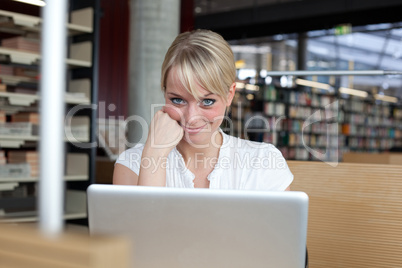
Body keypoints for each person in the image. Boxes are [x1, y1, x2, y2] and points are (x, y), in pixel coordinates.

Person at [113, 29, 293, 191]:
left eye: (207, 101)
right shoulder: (132, 164)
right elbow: (142, 228)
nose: (191, 117)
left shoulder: (263, 162)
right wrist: (154, 154)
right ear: (164, 92)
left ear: (229, 94)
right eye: (177, 100)